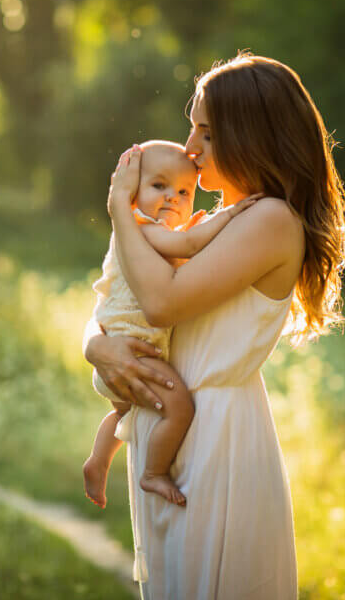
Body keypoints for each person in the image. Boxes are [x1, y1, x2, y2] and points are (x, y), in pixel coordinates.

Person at [84, 52, 345, 600]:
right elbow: (122, 296)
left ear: (250, 136)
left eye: (206, 132)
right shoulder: (200, 224)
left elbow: (162, 304)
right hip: (168, 418)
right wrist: (95, 345)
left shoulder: (271, 220)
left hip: (217, 435)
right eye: (192, 130)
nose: (190, 148)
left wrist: (119, 206)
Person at [82, 140, 259, 510]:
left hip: (119, 350)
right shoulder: (140, 227)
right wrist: (227, 215)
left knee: (123, 412)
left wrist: (192, 229)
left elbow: (184, 244)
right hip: (129, 352)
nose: (172, 198)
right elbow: (190, 246)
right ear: (131, 192)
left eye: (183, 191)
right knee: (180, 409)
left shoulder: (150, 233)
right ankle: (154, 473)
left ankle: (98, 461)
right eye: (159, 186)